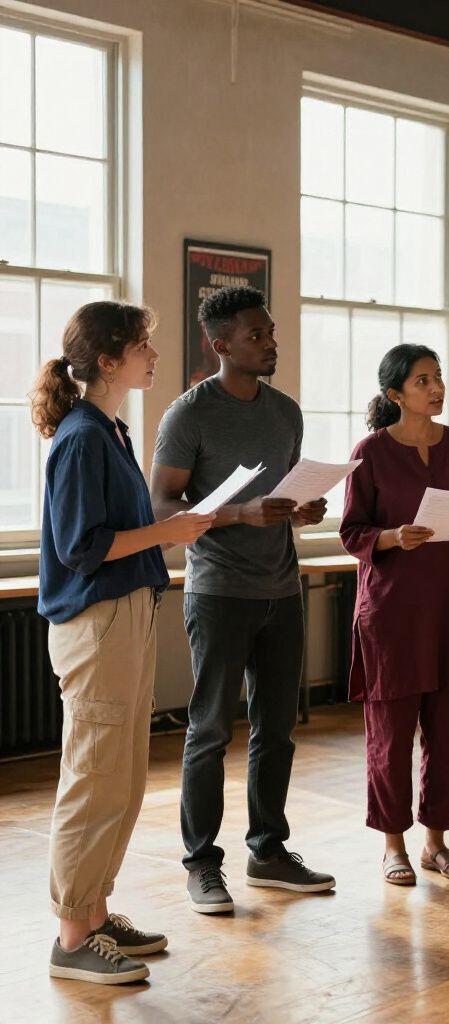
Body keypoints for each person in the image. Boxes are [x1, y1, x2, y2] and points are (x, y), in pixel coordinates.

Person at [31, 301, 214, 984]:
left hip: (125, 616)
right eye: (143, 346)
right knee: (94, 781)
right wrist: (172, 532)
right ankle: (72, 937)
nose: (154, 356)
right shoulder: (82, 437)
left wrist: (175, 530)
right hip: (98, 624)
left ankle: (96, 914)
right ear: (108, 361)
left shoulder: (110, 430)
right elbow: (84, 548)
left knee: (123, 781)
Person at [150, 286, 335, 913]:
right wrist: (240, 513)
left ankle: (269, 851)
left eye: (272, 332)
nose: (271, 342)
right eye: (257, 336)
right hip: (219, 593)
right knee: (208, 732)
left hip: (283, 590)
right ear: (219, 344)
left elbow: (282, 499)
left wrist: (303, 509)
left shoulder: (286, 412)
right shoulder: (188, 415)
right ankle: (202, 864)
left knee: (276, 729)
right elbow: (161, 507)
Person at [339, 344, 449, 886]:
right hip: (392, 614)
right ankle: (393, 846)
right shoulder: (372, 452)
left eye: (438, 377)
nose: (436, 388)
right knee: (390, 734)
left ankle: (436, 843)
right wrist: (391, 536)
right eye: (423, 380)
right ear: (395, 394)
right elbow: (351, 531)